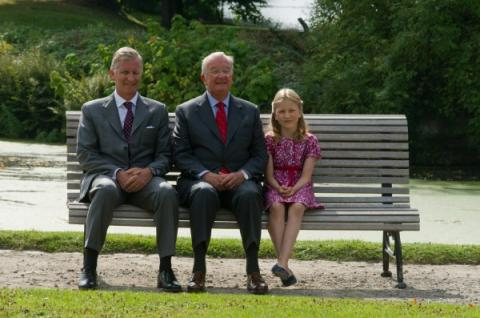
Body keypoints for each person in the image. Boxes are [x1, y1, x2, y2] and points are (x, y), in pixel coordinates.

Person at [76, 47, 181, 292]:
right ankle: (89, 268)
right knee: (103, 190)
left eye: (136, 72)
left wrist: (149, 172)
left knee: (167, 192)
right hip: (107, 178)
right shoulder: (92, 110)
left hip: (145, 181)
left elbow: (165, 156)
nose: (131, 78)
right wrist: (117, 173)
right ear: (112, 74)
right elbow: (86, 154)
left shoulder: (157, 110)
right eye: (125, 72)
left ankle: (165, 269)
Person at [173, 51, 269, 294]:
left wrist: (243, 174)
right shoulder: (187, 111)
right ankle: (199, 270)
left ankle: (253, 271)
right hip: (200, 181)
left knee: (250, 195)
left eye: (226, 71)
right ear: (203, 77)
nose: (221, 75)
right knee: (203, 193)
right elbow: (181, 154)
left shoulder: (249, 111)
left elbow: (260, 155)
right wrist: (205, 174)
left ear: (232, 77)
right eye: (215, 71)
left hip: (239, 181)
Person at [264, 88, 323, 287]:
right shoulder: (270, 139)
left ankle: (282, 262)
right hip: (275, 183)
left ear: (299, 111)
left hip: (301, 183)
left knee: (297, 207)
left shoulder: (309, 140)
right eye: (281, 111)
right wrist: (277, 186)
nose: (287, 115)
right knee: (276, 207)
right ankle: (285, 267)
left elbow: (307, 175)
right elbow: (268, 174)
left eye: (291, 110)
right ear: (275, 114)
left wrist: (294, 188)